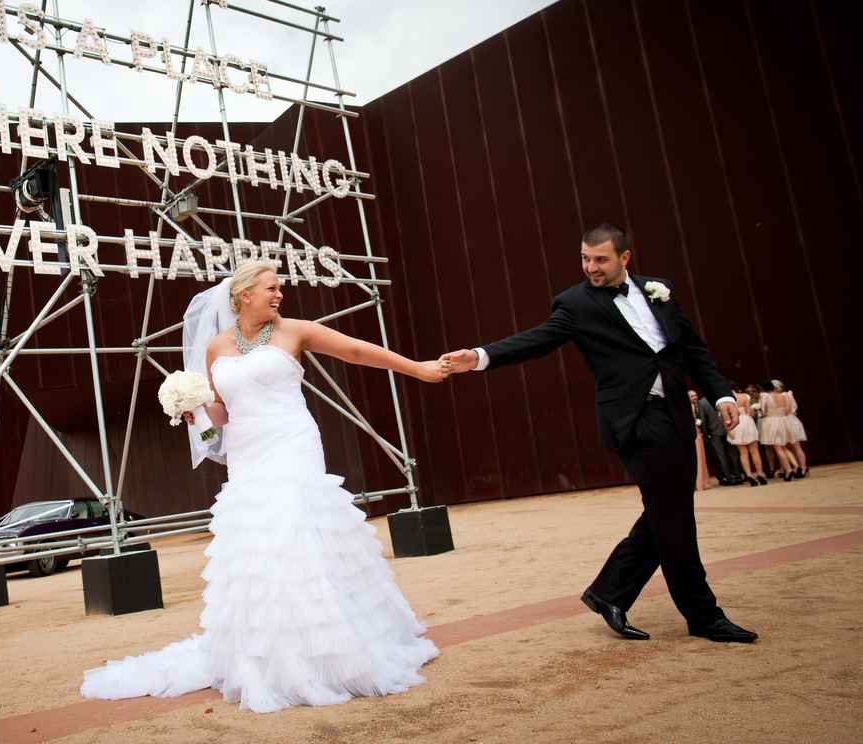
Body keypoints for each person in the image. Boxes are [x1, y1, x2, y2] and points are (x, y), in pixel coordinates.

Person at [81, 260, 447, 713]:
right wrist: (194, 409)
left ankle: (337, 649)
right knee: (260, 546)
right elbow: (221, 415)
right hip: (247, 454)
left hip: (293, 442)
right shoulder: (216, 348)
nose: (279, 295)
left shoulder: (296, 332)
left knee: (297, 531)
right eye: (271, 288)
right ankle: (274, 653)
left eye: (280, 289)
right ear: (243, 295)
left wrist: (417, 368)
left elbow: (355, 350)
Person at [441, 223, 757, 643]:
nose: (591, 267)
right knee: (675, 518)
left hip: (677, 414)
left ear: (625, 258)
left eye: (601, 259)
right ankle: (703, 615)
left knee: (667, 512)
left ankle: (609, 592)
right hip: (635, 421)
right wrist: (479, 357)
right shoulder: (575, 304)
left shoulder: (660, 290)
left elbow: (693, 350)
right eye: (586, 259)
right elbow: (537, 340)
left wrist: (721, 397)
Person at [689, 389, 743, 486]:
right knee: (733, 453)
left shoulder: (702, 402)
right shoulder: (722, 399)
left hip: (714, 432)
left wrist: (706, 433)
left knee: (721, 455)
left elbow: (703, 419)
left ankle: (728, 477)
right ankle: (738, 475)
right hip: (729, 428)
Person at [759, 382, 801, 481]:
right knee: (784, 446)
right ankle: (795, 465)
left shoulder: (765, 397)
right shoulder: (784, 396)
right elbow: (787, 410)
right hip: (783, 421)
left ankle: (788, 470)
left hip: (771, 421)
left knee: (778, 448)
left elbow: (763, 411)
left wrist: (763, 413)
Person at [727, 385, 765, 485]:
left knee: (743, 452)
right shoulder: (744, 396)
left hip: (736, 424)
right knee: (755, 451)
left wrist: (728, 430)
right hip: (747, 422)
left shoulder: (728, 400)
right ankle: (760, 473)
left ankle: (749, 474)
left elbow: (725, 417)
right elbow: (750, 413)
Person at [774, 379, 809, 477]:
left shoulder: (786, 395)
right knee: (786, 447)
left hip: (788, 421)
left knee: (795, 446)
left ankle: (803, 467)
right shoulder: (781, 396)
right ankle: (790, 467)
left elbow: (789, 409)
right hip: (786, 421)